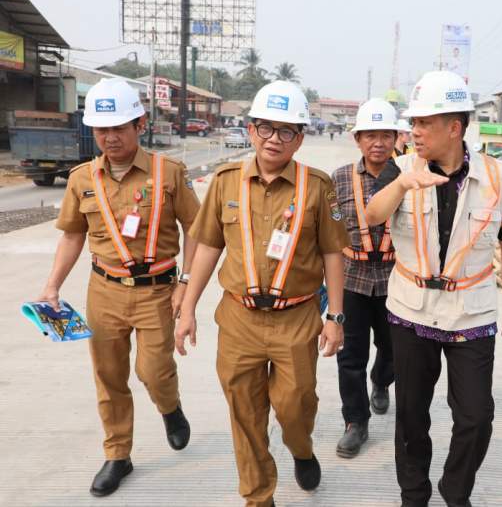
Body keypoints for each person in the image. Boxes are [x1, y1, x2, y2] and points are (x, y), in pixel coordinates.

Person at [175, 80, 349, 507]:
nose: (274, 139)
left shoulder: (318, 186)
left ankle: (301, 447)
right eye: (265, 128)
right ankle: (259, 496)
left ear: (300, 137)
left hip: (297, 318)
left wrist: (336, 318)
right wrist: (187, 307)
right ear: (250, 131)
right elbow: (209, 247)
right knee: (245, 415)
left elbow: (333, 253)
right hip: (239, 318)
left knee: (295, 405)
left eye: (286, 130)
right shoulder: (225, 182)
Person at [365, 70, 502, 507]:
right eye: (413, 123)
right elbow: (372, 216)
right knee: (412, 415)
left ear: (454, 128)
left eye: (424, 123)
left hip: (471, 311)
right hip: (411, 309)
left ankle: (456, 493)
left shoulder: (500, 177)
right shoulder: (400, 169)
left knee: (477, 417)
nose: (414, 132)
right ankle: (413, 494)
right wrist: (402, 183)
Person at [37, 77, 199, 497]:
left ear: (140, 124)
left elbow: (197, 229)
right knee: (108, 376)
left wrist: (186, 284)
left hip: (157, 290)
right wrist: (52, 286)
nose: (109, 137)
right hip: (104, 289)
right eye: (101, 129)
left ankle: (170, 407)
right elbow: (72, 234)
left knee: (153, 371)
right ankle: (118, 454)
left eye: (119, 128)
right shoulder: (81, 178)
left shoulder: (170, 173)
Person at [331, 98, 398, 458]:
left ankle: (382, 381)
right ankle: (355, 422)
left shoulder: (408, 177)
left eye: (385, 135)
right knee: (350, 356)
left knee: (393, 349)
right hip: (352, 278)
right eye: (370, 135)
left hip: (395, 279)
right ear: (358, 139)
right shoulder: (339, 178)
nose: (378, 143)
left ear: (396, 138)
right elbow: (328, 230)